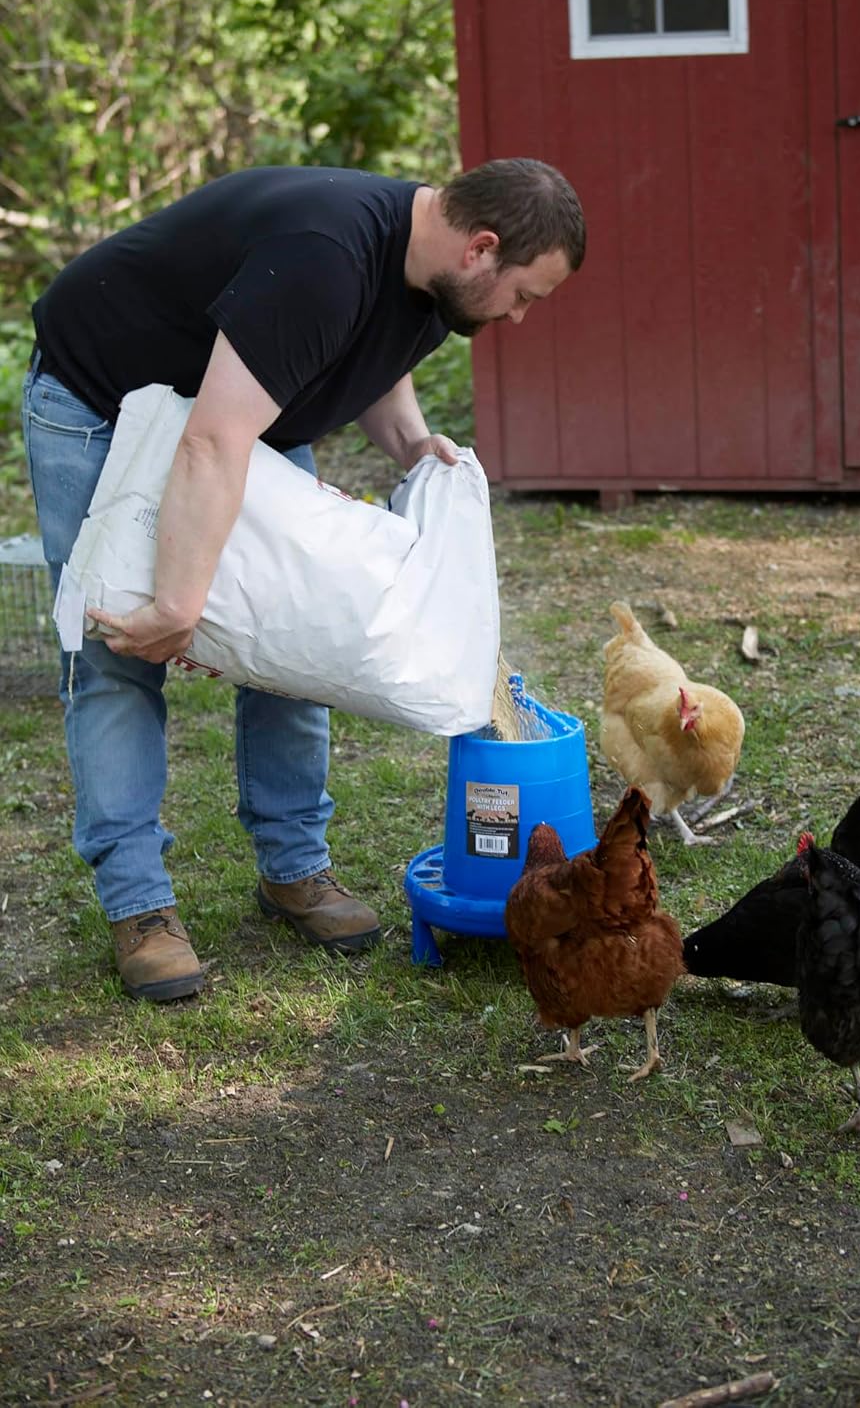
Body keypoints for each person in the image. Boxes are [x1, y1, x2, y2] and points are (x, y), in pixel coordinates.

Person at [23, 158, 586, 1003]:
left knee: (297, 632)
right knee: (121, 652)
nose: (519, 315)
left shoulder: (437, 280)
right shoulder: (325, 257)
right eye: (526, 295)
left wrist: (411, 443)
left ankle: (294, 869)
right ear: (481, 247)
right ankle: (138, 904)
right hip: (104, 403)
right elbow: (210, 443)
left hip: (238, 407)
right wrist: (176, 602)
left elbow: (373, 349)